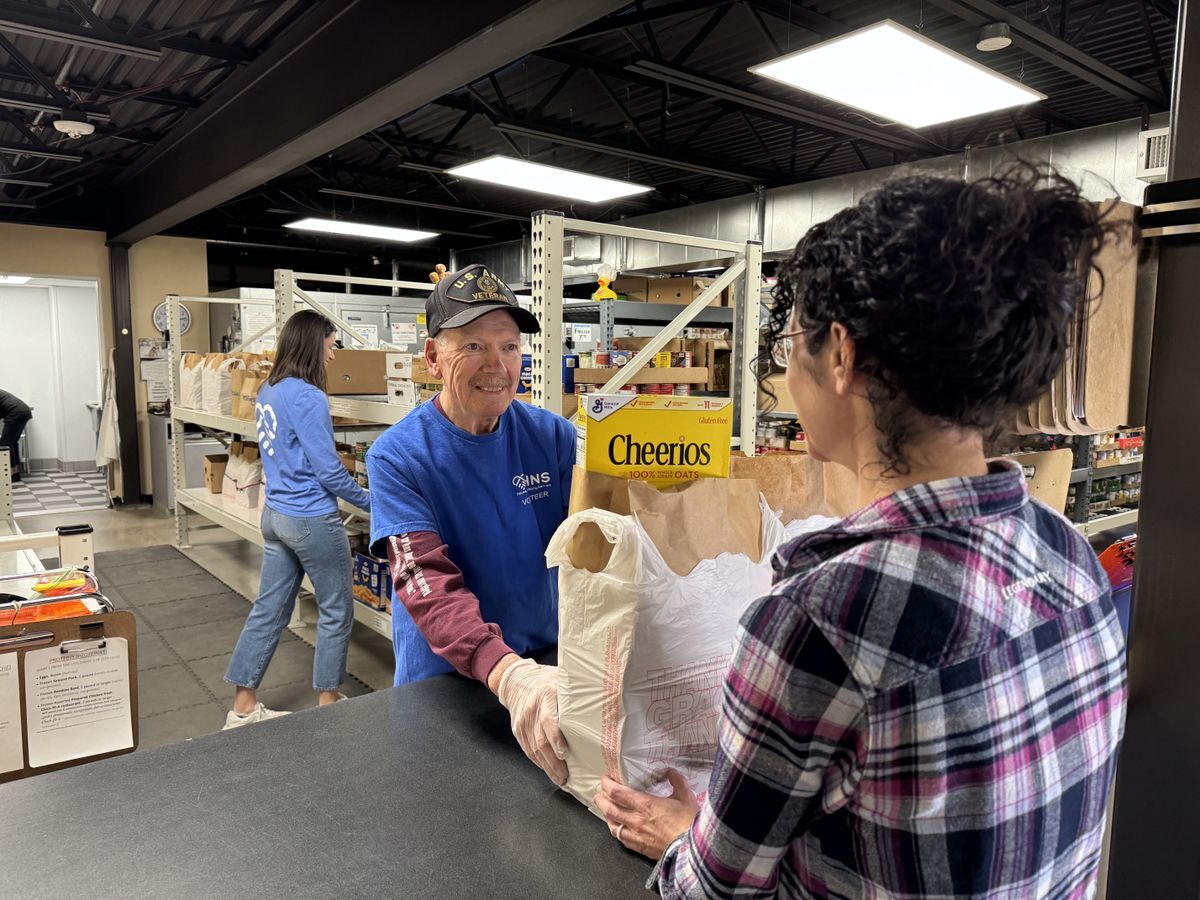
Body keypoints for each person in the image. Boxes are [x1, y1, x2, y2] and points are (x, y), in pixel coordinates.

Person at [596, 166, 1129, 897]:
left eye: (792, 342)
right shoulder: (1069, 552)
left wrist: (690, 841)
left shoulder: (823, 617)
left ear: (841, 354)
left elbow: (710, 891)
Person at [366, 263, 576, 785]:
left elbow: (599, 538)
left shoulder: (552, 437)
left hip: (544, 669)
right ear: (433, 357)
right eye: (474, 347)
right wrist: (506, 673)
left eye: (509, 347)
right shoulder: (398, 456)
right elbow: (427, 584)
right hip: (447, 683)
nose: (498, 366)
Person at [223, 310, 371, 729]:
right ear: (312, 344)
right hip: (311, 519)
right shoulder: (308, 396)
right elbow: (328, 471)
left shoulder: (271, 389)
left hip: (277, 516)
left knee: (269, 608)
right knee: (337, 609)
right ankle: (328, 703)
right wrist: (372, 501)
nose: (334, 354)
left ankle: (243, 707)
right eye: (331, 344)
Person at [0, 389, 32, 481]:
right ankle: (15, 473)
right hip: (23, 411)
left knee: (5, 444)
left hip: (16, 413)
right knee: (12, 443)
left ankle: (10, 474)